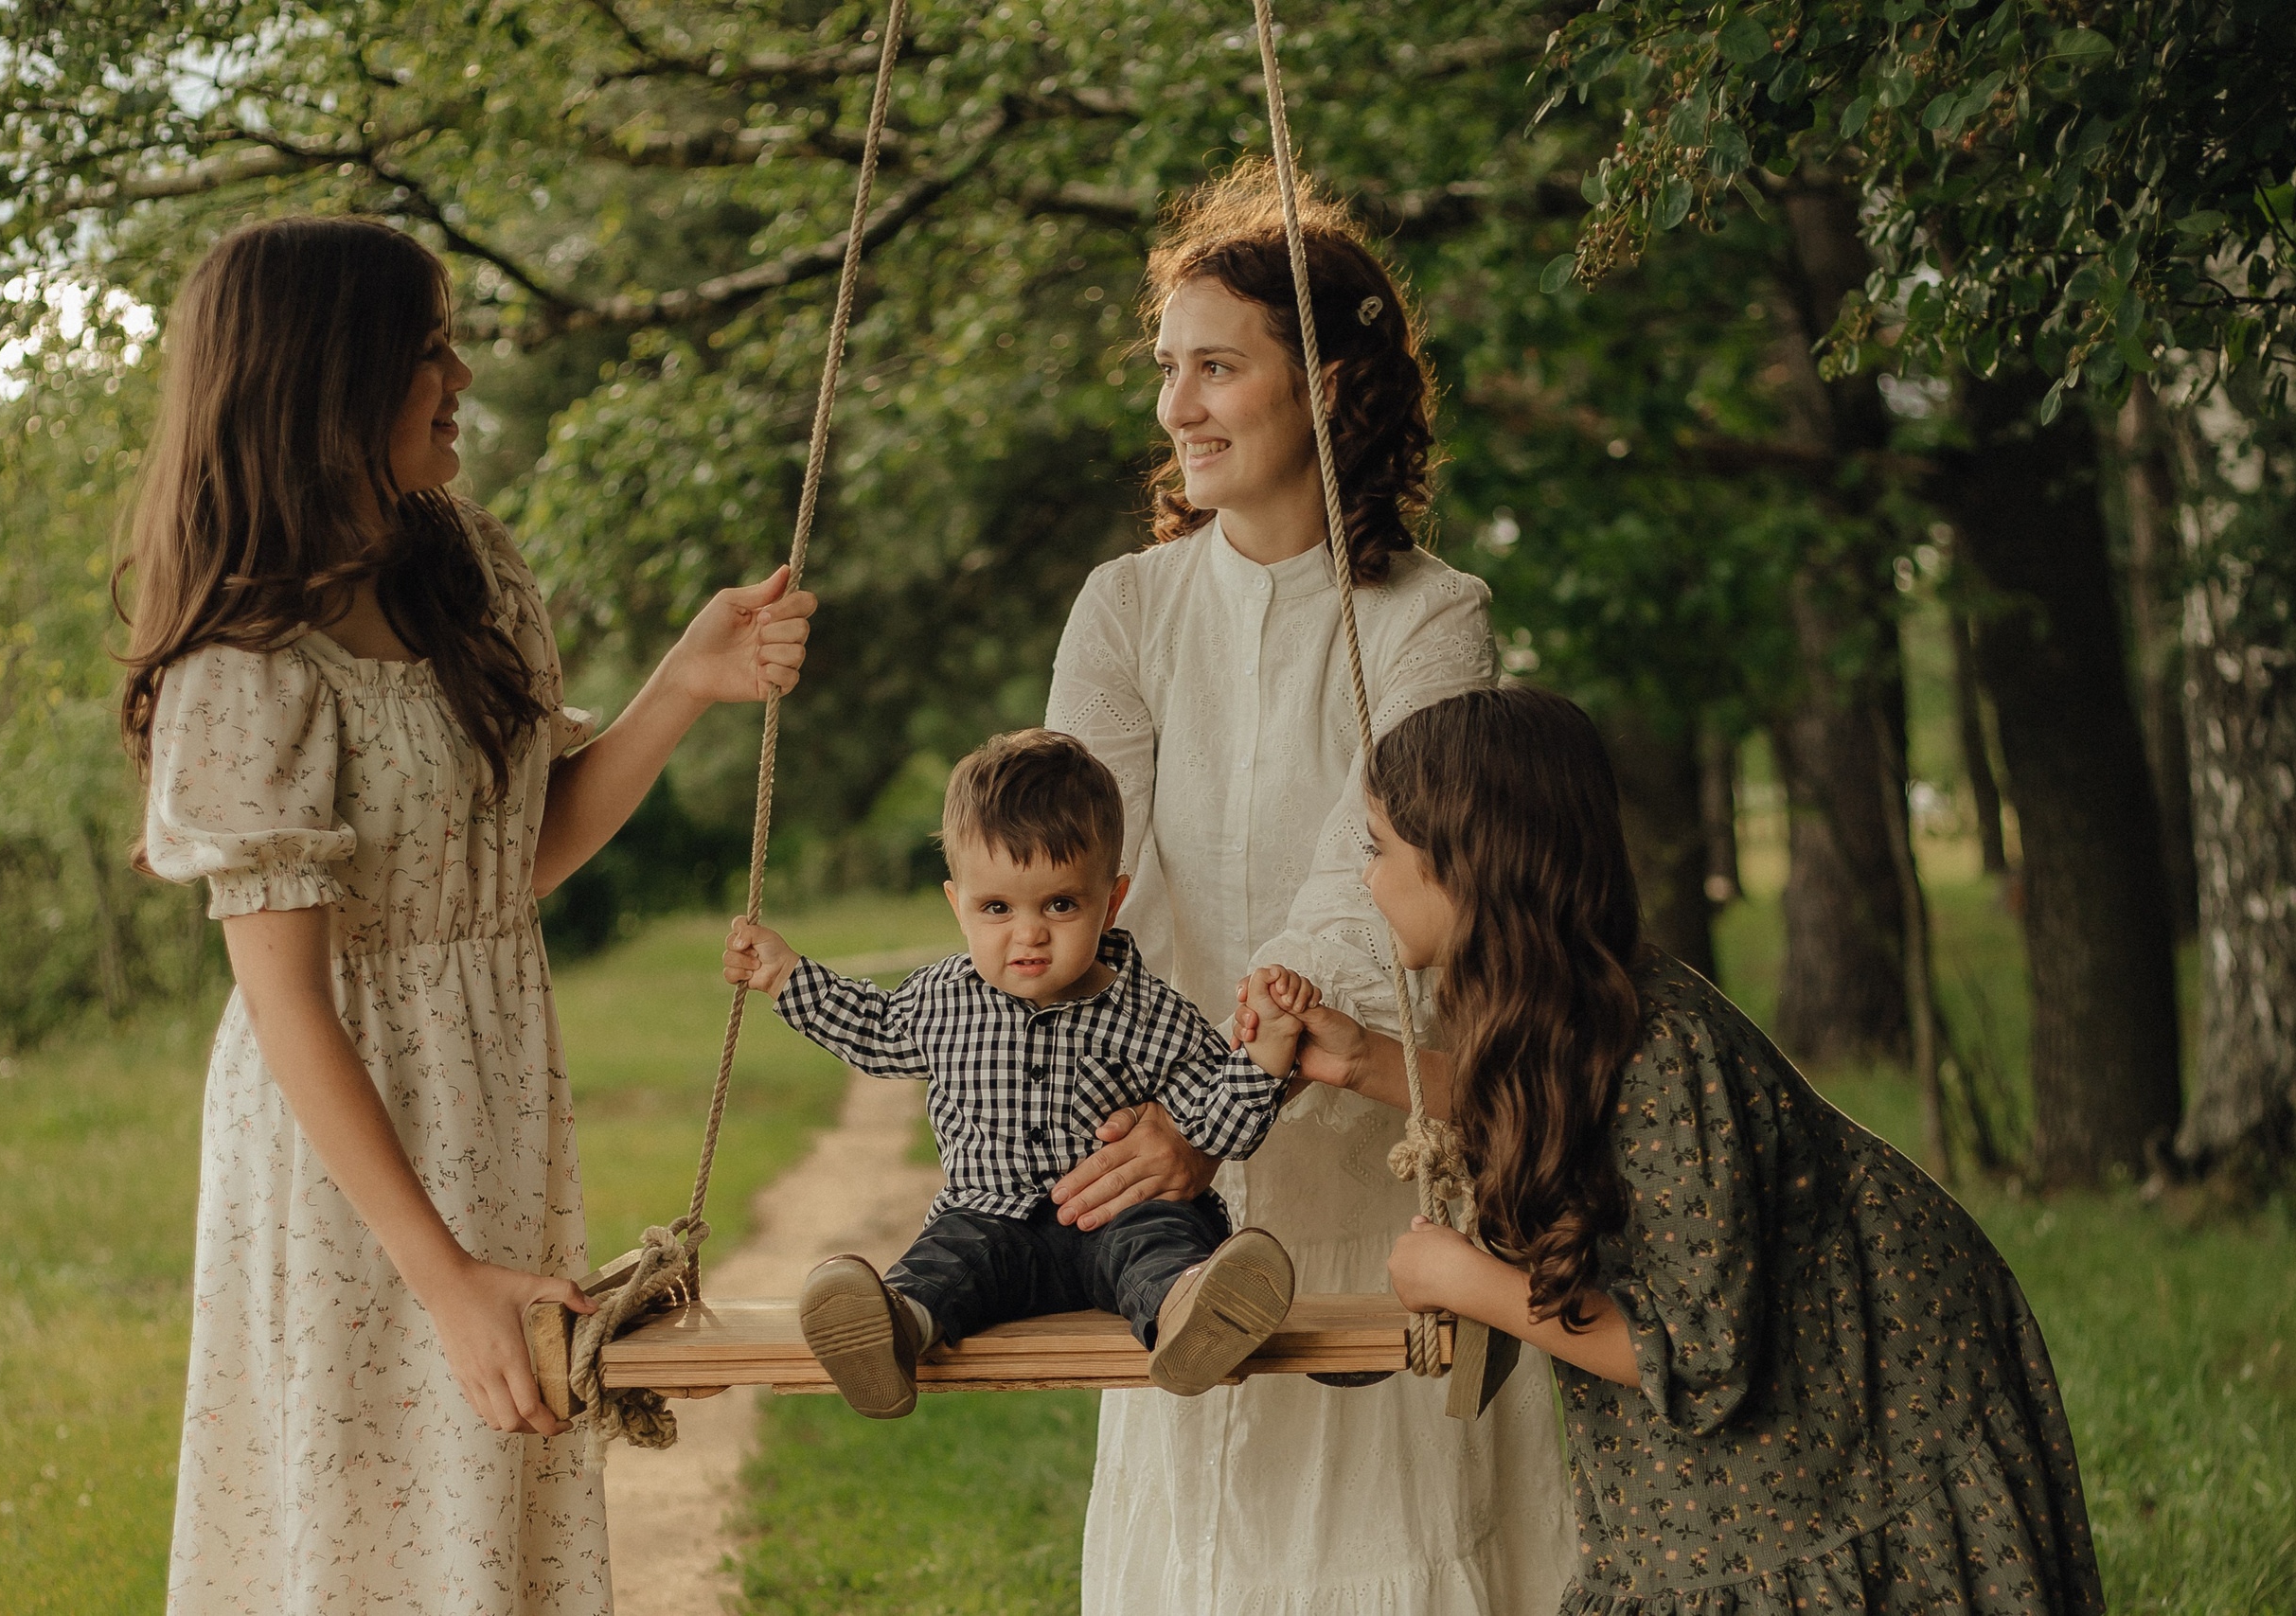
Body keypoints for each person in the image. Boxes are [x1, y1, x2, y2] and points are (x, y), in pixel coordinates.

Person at [125, 216, 814, 1614]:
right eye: (427, 348)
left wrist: (686, 680)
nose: (462, 375)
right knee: (366, 1521)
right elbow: (286, 998)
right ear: (329, 378)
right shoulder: (247, 660)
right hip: (345, 1153)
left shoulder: (467, 567)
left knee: (491, 1503)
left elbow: (512, 860)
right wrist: (441, 1274)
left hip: (491, 1101)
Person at [1247, 684, 2105, 1615]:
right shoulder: (1566, 1001)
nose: (1368, 878)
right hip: (1764, 1446)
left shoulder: (1666, 1053)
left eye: (1379, 849)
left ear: (1468, 864)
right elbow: (1568, 1107)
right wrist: (1367, 1062)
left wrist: (1465, 1279)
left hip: (1873, 1398)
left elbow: (1700, 1356)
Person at [1042, 163, 1575, 1612]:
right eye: (1168, 368)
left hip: (1365, 1164)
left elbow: (1366, 893)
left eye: (1217, 366)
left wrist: (1225, 1104)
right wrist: (1152, 1107)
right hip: (1164, 1173)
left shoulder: (1431, 619)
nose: (1178, 405)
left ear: (1327, 385)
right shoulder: (1125, 607)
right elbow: (1085, 883)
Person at [721, 728, 1318, 1417]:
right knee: (948, 1261)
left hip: (1121, 1217)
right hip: (991, 1220)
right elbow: (874, 1029)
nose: (1028, 933)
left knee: (1160, 1243)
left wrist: (1267, 1051)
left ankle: (1192, 1314)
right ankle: (893, 1330)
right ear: (958, 905)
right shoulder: (944, 999)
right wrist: (787, 976)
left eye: (1060, 904)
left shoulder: (1151, 1013)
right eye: (997, 907)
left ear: (1111, 901)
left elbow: (1216, 1124)